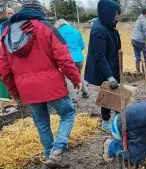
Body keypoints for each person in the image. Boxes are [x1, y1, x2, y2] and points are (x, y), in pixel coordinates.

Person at [0, 0, 82, 167]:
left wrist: (15, 92)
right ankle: (57, 150)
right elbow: (64, 59)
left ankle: (50, 157)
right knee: (67, 114)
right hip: (51, 84)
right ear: (39, 11)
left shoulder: (6, 32)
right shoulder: (47, 27)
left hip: (27, 89)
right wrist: (75, 79)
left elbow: (4, 68)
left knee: (42, 123)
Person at [84, 0, 121, 133]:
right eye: (116, 13)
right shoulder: (98, 30)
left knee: (116, 93)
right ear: (108, 12)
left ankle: (118, 118)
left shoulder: (108, 26)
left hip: (113, 65)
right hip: (104, 69)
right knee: (108, 92)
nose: (118, 16)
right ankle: (105, 122)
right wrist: (110, 76)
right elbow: (100, 56)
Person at [55, 19, 89, 100]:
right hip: (79, 59)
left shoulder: (58, 33)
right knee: (79, 74)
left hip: (67, 59)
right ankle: (85, 92)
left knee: (68, 78)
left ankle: (73, 99)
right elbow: (82, 46)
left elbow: (56, 48)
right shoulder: (76, 31)